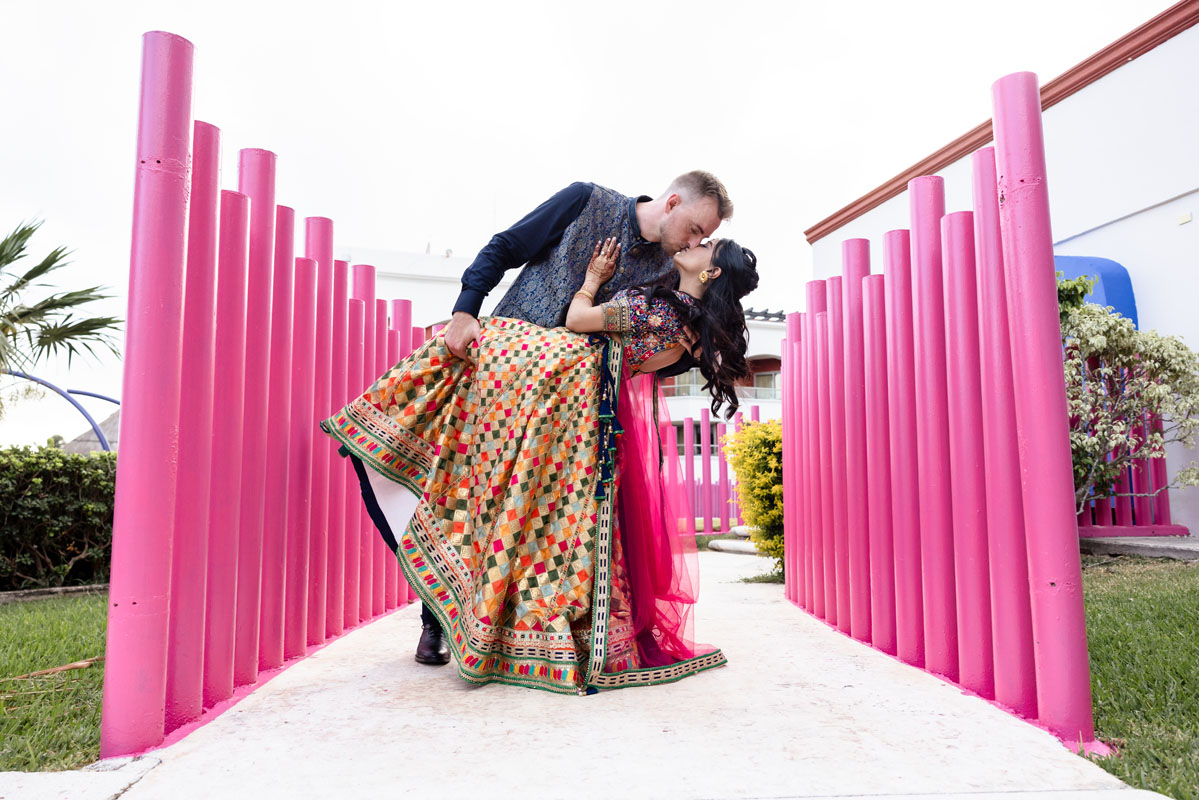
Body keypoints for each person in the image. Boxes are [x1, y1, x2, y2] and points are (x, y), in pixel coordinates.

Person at [321, 235, 759, 694]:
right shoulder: (689, 336)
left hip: (559, 373)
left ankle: (382, 420)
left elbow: (576, 319)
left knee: (462, 351)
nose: (697, 242)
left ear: (710, 273)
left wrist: (592, 281)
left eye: (707, 245)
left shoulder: (656, 310)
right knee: (532, 515)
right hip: (585, 410)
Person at [411, 170, 733, 664]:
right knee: (472, 492)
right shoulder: (586, 202)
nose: (695, 241)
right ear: (672, 203)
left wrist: (683, 353)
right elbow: (505, 246)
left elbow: (664, 343)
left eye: (703, 238)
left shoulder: (671, 274)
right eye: (694, 229)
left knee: (533, 520)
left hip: (576, 411)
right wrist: (465, 308)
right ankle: (435, 622)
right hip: (509, 373)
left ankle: (509, 634)